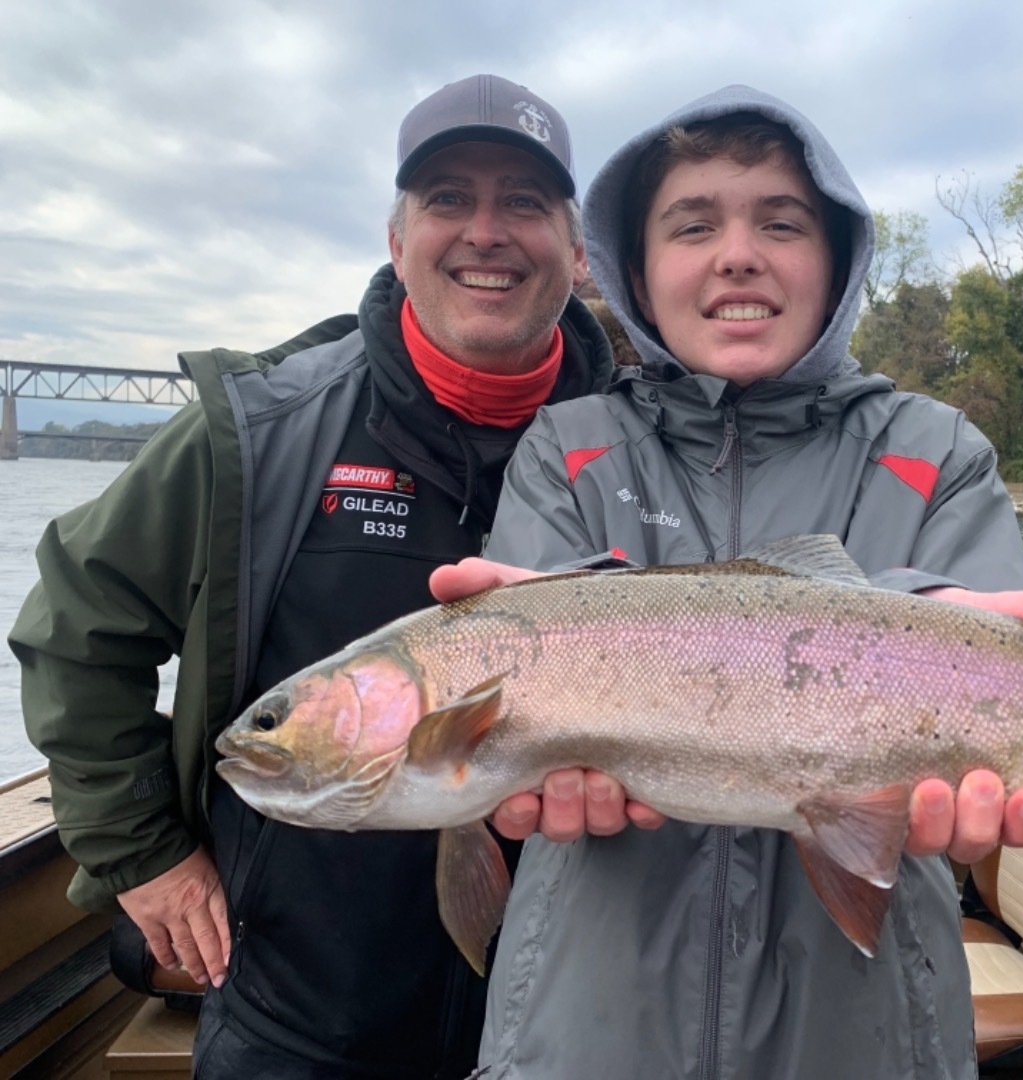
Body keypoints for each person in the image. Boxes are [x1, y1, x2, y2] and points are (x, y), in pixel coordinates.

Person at [428, 85, 1023, 1079]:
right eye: (693, 224)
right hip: (586, 1028)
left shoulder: (937, 449)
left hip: (873, 1033)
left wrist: (943, 644)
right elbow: (519, 718)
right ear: (635, 269)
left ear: (837, 261)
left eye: (780, 224)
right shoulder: (566, 448)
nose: (737, 253)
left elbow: (984, 640)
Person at [8, 74, 611, 1079]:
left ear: (578, 251)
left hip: (585, 1028)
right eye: (448, 198)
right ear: (395, 239)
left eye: (524, 203)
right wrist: (142, 855)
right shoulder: (255, 435)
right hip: (298, 1022)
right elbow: (75, 627)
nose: (486, 231)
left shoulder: (647, 452)